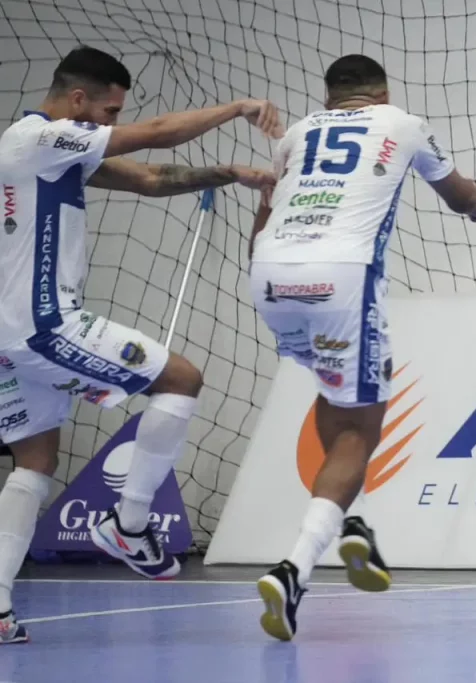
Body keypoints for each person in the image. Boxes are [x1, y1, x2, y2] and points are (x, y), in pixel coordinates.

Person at [0, 44, 281, 643]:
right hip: (44, 324)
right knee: (181, 378)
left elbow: (152, 180)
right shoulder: (38, 137)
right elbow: (153, 139)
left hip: (11, 335)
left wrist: (234, 173)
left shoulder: (52, 152)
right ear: (78, 99)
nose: (112, 124)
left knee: (35, 460)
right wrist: (237, 107)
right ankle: (129, 524)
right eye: (107, 111)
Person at [247, 53, 476, 641]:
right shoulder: (402, 124)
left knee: (339, 402)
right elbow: (463, 200)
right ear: (381, 93)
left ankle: (349, 519)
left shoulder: (298, 133)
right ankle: (295, 569)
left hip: (269, 276)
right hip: (342, 277)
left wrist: (269, 278)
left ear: (330, 95)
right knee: (364, 426)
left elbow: (265, 214)